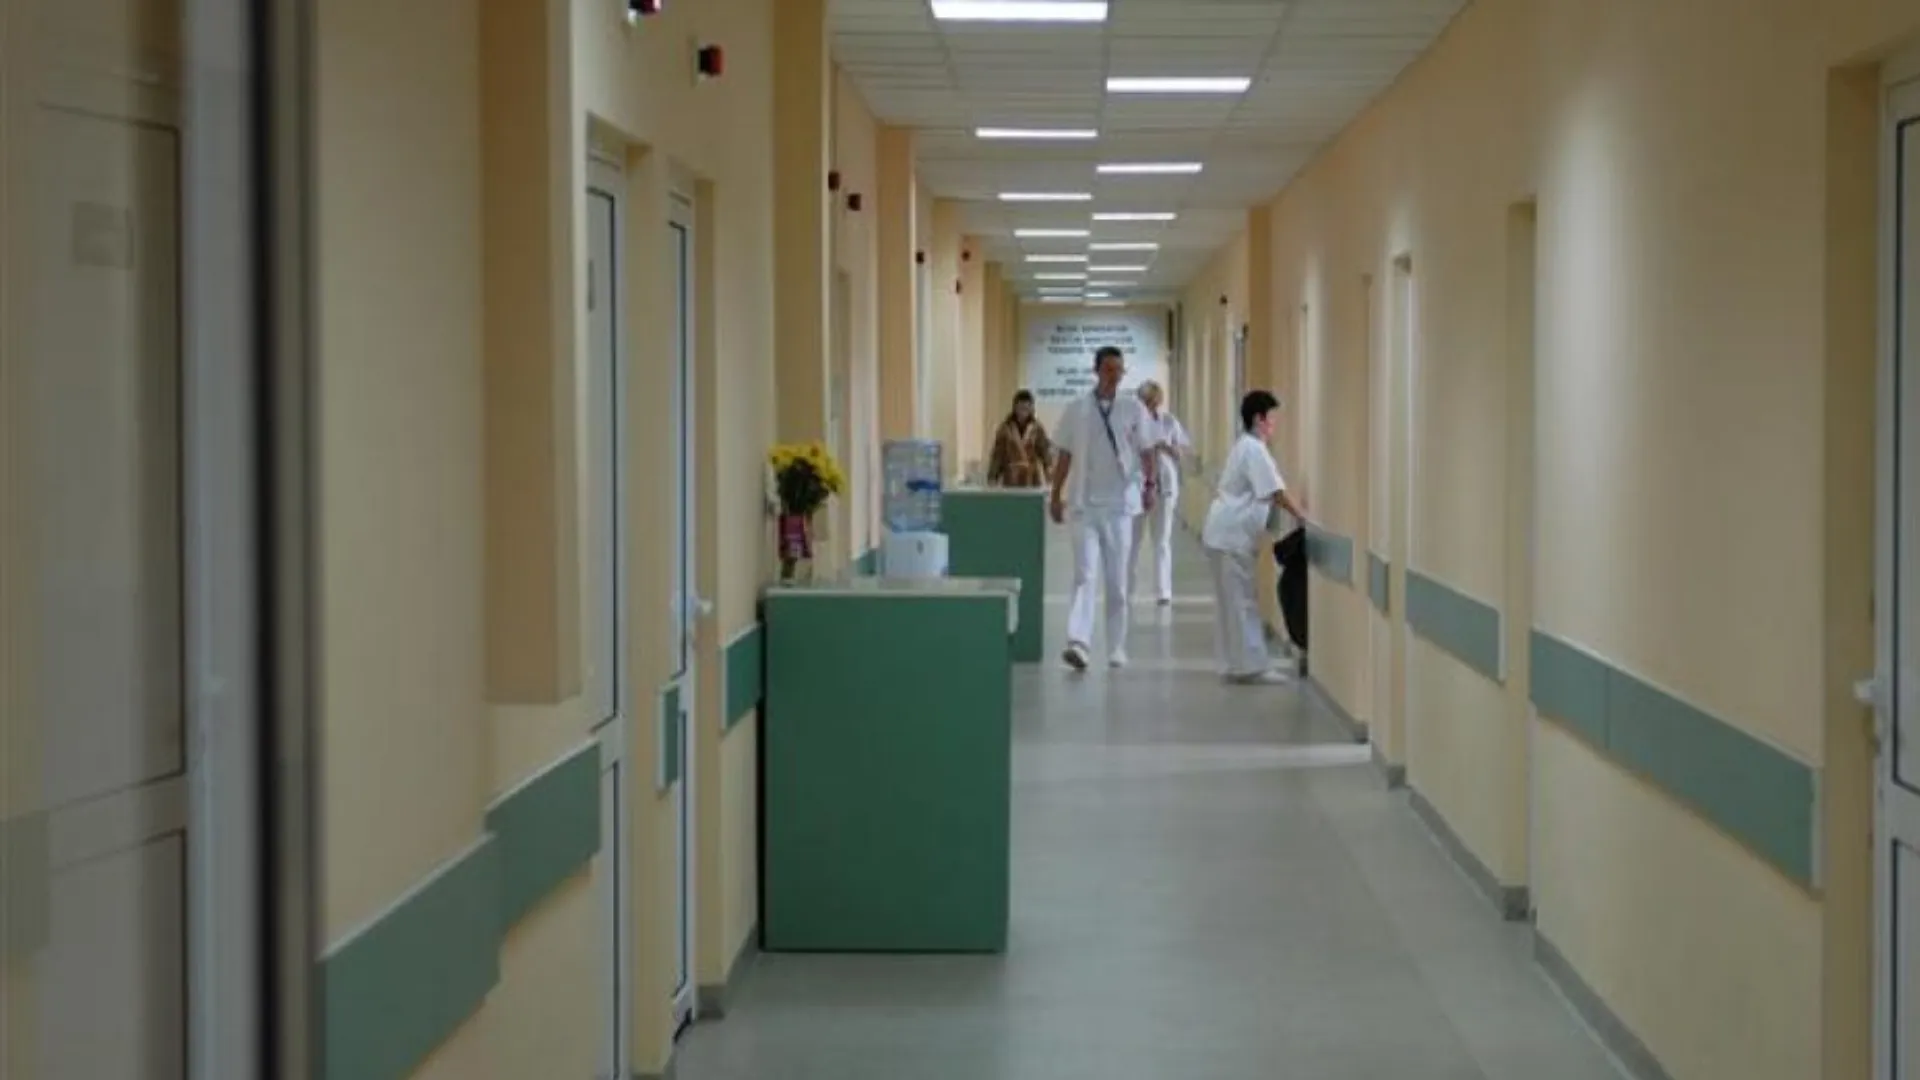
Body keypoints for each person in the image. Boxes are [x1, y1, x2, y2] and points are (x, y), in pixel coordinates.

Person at [1050, 346, 1158, 671]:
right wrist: (1055, 495)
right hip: (1084, 505)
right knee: (1084, 575)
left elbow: (1147, 451)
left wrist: (1150, 486)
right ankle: (1078, 643)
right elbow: (1065, 455)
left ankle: (1116, 647)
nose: (1114, 376)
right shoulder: (1077, 409)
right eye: (1109, 369)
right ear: (1096, 371)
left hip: (1120, 506)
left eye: (1119, 370)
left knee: (1117, 581)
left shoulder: (1133, 408)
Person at [1201, 389, 1310, 684]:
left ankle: (1232, 663)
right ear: (1259, 419)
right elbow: (1275, 491)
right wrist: (1302, 515)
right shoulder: (1254, 449)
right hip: (1231, 536)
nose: (1275, 425)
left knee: (1230, 603)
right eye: (1272, 418)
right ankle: (1251, 667)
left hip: (1222, 534)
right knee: (1242, 601)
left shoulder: (1244, 446)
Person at [1128, 380, 1191, 606]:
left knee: (1162, 540)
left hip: (1165, 487)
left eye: (1152, 401)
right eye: (1145, 402)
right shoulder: (1132, 424)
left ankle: (1164, 591)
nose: (1149, 406)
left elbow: (1181, 453)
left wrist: (1165, 446)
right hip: (1138, 486)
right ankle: (1127, 590)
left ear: (1159, 400)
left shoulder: (1169, 421)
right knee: (1133, 541)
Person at [986, 389, 1053, 488]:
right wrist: (993, 476)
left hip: (1031, 479)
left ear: (1031, 409)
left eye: (1026, 408)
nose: (1023, 412)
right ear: (1015, 408)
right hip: (1011, 478)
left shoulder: (1037, 428)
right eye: (1021, 408)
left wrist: (1048, 469)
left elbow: (1045, 451)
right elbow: (998, 455)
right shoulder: (1005, 428)